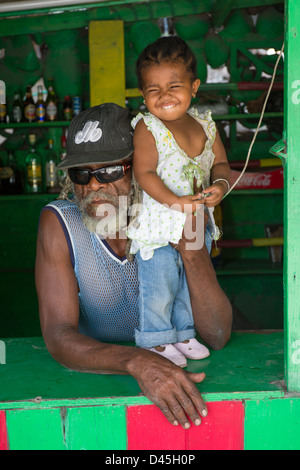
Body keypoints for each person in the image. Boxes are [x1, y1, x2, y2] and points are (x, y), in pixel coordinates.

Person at [35, 102, 232, 430]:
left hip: (185, 387)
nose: (93, 185)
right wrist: (138, 361)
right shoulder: (60, 222)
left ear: (141, 166)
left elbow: (218, 334)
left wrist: (193, 252)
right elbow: (58, 335)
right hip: (97, 391)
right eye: (81, 173)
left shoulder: (182, 211)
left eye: (110, 170)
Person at [127, 36, 231, 367]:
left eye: (174, 85)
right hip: (159, 222)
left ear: (194, 86)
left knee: (188, 281)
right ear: (143, 95)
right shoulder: (148, 127)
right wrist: (175, 202)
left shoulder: (205, 125)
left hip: (195, 219)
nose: (164, 95)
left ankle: (184, 333)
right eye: (153, 89)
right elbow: (144, 173)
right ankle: (156, 339)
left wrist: (221, 186)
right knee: (159, 281)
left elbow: (221, 165)